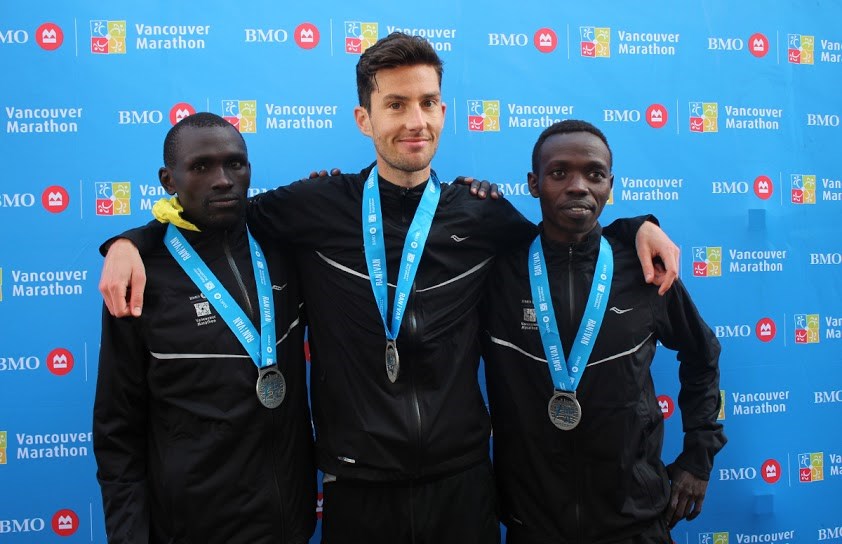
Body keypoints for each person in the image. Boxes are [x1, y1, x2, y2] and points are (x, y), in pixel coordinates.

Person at [98, 34, 680, 543]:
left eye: (427, 103)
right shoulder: (316, 207)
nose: (414, 122)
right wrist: (132, 241)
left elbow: (562, 238)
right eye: (395, 104)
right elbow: (216, 216)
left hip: (463, 481)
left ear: (444, 111)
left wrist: (634, 228)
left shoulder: (481, 216)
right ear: (364, 118)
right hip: (357, 485)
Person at [481, 120, 725, 544]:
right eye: (559, 173)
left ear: (610, 185)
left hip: (636, 521)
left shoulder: (645, 270)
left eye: (594, 175)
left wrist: (699, 456)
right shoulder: (498, 270)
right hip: (532, 524)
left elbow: (702, 355)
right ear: (533, 184)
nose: (578, 186)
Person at [93, 113, 316, 544]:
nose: (223, 180)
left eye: (236, 164)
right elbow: (116, 429)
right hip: (193, 528)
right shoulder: (141, 275)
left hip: (290, 522)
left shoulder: (281, 244)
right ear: (168, 180)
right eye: (201, 167)